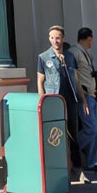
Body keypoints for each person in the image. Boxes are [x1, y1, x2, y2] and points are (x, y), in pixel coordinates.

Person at [36, 26, 84, 174]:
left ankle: (77, 168)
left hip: (70, 99)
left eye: (58, 37)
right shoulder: (43, 57)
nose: (55, 41)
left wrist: (83, 100)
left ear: (63, 38)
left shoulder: (69, 56)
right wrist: (42, 100)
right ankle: (58, 168)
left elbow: (76, 79)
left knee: (73, 134)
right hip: (54, 100)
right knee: (55, 133)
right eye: (52, 38)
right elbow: (40, 81)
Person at [69, 28, 97, 172]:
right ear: (86, 38)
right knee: (92, 128)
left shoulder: (85, 53)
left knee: (95, 130)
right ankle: (70, 148)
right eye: (90, 39)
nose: (91, 42)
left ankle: (92, 161)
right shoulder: (74, 52)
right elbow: (74, 76)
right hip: (84, 95)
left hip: (91, 94)